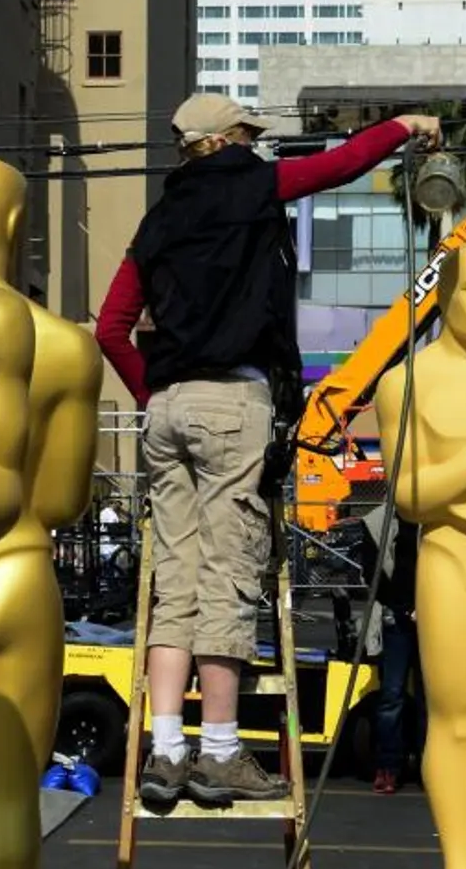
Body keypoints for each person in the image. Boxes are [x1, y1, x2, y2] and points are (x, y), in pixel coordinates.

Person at [98, 95, 439, 803]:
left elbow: (111, 327)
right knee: (229, 574)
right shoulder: (253, 184)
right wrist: (403, 127)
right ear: (223, 140)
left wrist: (151, 393)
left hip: (167, 411)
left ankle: (164, 751)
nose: (255, 146)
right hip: (232, 402)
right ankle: (219, 750)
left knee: (177, 580)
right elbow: (338, 164)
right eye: (248, 136)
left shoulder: (155, 222)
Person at [360, 504, 425, 796]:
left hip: (433, 617)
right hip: (395, 618)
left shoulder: (435, 516)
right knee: (391, 696)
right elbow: (371, 572)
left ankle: (430, 767)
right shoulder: (378, 521)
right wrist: (403, 609)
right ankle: (388, 768)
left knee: (433, 699)